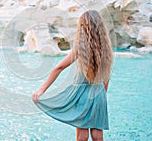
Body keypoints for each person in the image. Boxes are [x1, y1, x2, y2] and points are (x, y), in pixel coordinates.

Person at [32, 10, 113, 141]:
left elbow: (59, 67)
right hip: (99, 93)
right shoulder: (106, 49)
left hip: (81, 94)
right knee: (98, 134)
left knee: (82, 135)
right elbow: (107, 75)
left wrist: (42, 90)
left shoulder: (80, 49)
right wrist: (103, 94)